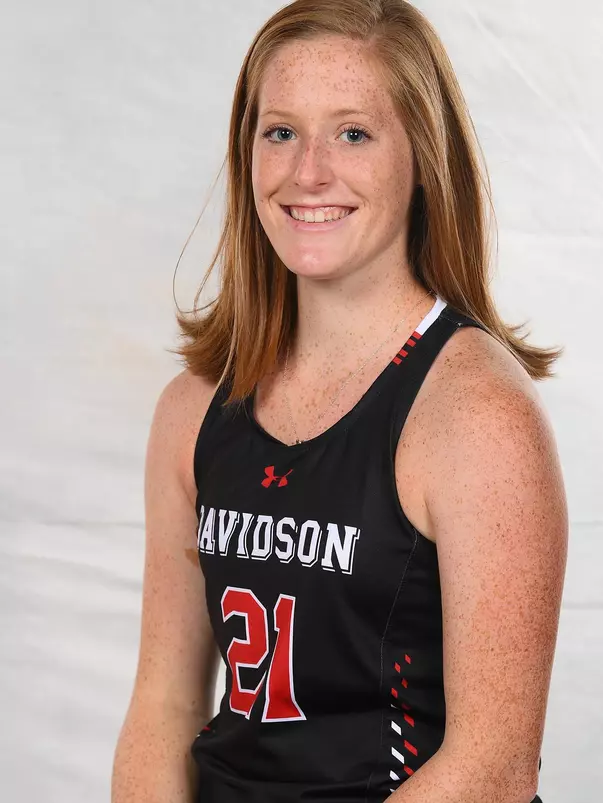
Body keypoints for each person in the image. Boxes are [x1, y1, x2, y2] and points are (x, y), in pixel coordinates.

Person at [111, 2, 568, 802]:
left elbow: (492, 769)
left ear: (421, 158)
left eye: (352, 133)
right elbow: (164, 705)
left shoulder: (476, 416)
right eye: (280, 131)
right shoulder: (192, 409)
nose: (307, 172)